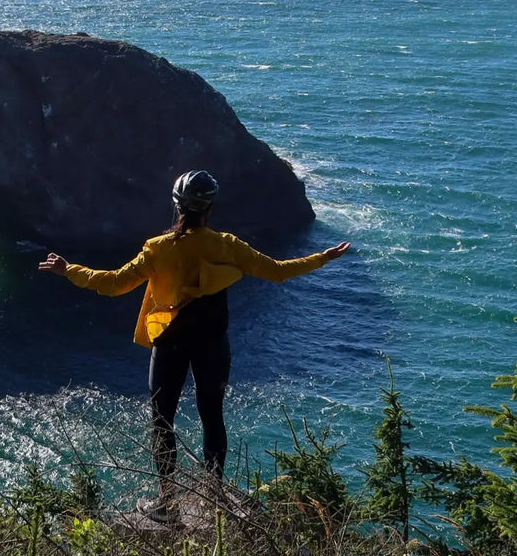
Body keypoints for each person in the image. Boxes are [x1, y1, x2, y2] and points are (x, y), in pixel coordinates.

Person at [38, 169, 351, 521]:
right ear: (210, 209)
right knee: (212, 418)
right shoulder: (227, 246)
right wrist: (322, 258)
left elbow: (113, 284)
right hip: (212, 344)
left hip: (169, 343)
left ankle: (167, 503)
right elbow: (278, 271)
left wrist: (70, 270)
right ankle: (213, 497)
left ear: (176, 206)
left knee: (162, 421)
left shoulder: (157, 249)